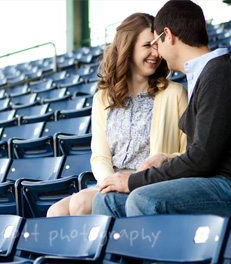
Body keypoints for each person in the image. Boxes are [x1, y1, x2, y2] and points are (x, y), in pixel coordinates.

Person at [92, 0, 231, 217]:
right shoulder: (205, 75)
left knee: (143, 199)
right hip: (211, 180)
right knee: (107, 200)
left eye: (157, 42)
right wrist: (165, 158)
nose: (158, 53)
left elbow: (202, 158)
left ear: (168, 35)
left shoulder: (220, 75)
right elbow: (201, 153)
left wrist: (134, 180)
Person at [47, 13, 188, 217]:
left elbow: (188, 154)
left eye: (157, 45)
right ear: (127, 48)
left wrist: (161, 160)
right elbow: (100, 156)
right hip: (110, 182)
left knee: (80, 205)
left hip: (148, 184)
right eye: (147, 45)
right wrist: (110, 183)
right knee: (55, 212)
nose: (156, 53)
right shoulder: (102, 98)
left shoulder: (174, 93)